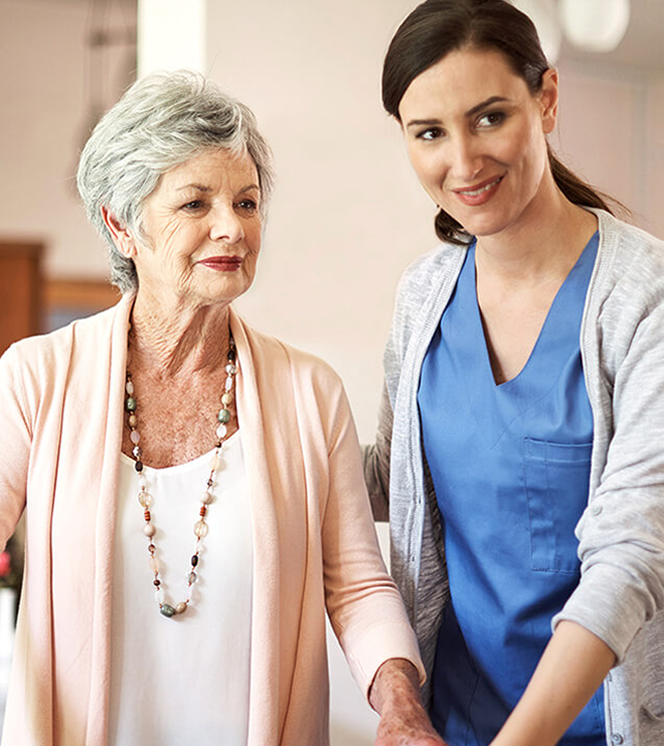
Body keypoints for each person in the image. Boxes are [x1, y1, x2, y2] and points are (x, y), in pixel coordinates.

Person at [0, 71, 443, 746]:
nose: (231, 228)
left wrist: (401, 707)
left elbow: (356, 585)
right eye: (195, 204)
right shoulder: (36, 379)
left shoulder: (310, 393)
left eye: (246, 202)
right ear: (122, 226)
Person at [364, 1, 664, 745]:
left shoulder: (644, 299)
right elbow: (389, 475)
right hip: (456, 720)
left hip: (602, 726)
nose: (462, 161)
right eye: (429, 132)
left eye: (490, 117)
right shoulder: (423, 296)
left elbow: (634, 552)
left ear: (547, 99)